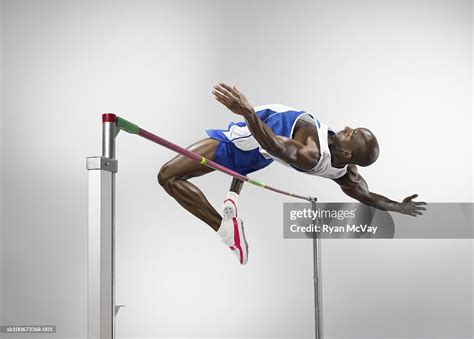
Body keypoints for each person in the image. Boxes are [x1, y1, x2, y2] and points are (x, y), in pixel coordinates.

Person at [158, 83, 426, 265]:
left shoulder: (311, 154)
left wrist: (247, 111)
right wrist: (398, 206)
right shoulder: (346, 172)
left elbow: (271, 144)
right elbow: (367, 197)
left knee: (168, 176)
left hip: (244, 143)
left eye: (351, 134)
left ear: (347, 154)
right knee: (248, 162)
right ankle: (232, 199)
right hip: (258, 153)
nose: (345, 127)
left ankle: (225, 229)